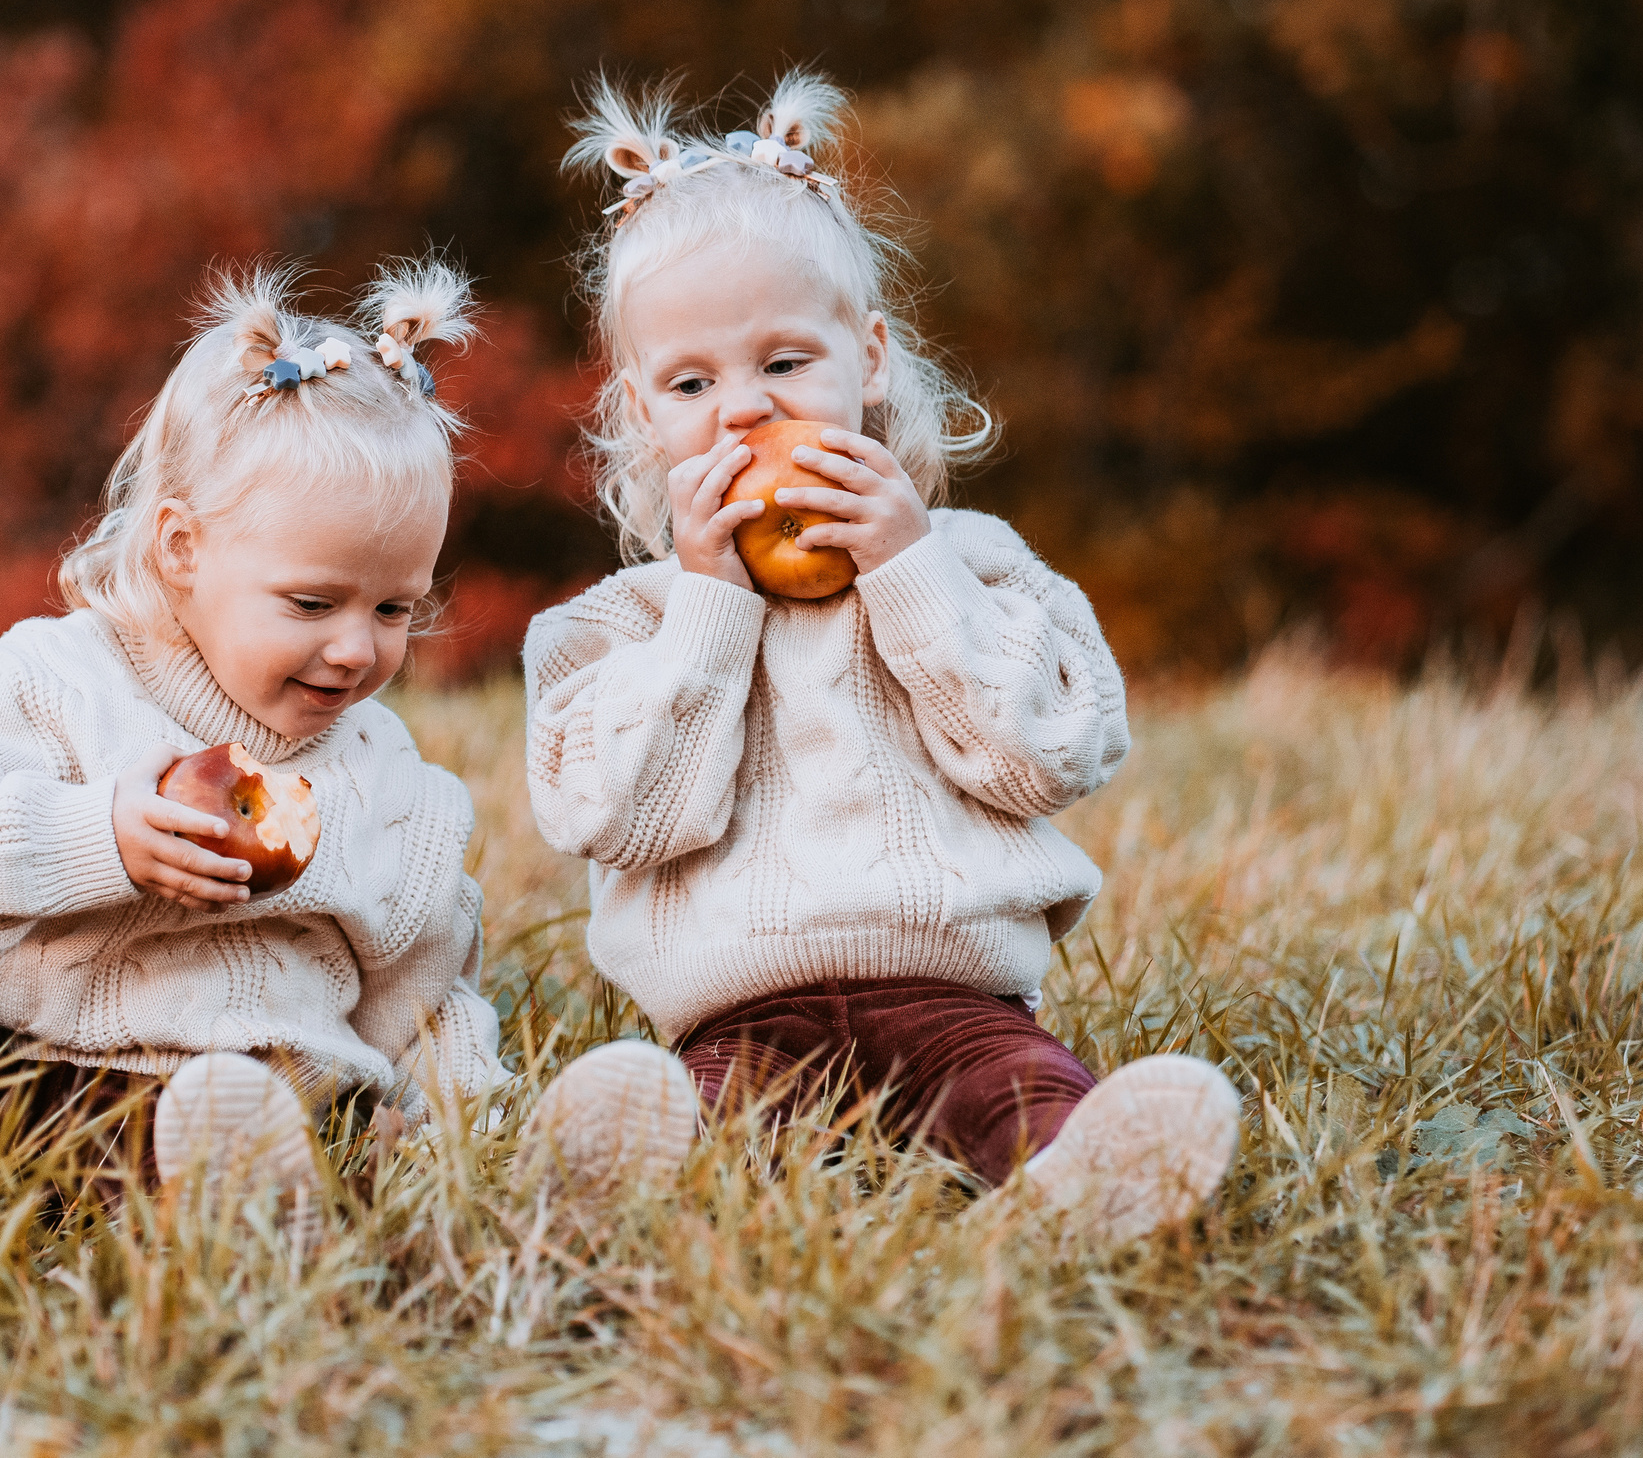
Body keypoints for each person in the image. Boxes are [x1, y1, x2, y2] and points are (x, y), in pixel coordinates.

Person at [0, 260, 679, 1221]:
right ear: (181, 549)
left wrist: (467, 1128)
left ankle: (527, 1189)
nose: (358, 647)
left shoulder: (385, 780)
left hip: (266, 1111)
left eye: (397, 606)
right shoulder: (59, 679)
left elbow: (425, 997)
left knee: (248, 1122)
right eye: (313, 602)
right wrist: (97, 836)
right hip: (11, 1090)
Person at [520, 74, 1242, 1243]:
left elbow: (1045, 757)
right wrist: (711, 605)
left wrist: (911, 574)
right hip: (738, 1019)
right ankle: (620, 1195)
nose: (743, 411)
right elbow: (623, 819)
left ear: (869, 358)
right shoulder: (618, 626)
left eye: (785, 362)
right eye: (691, 383)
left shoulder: (970, 564)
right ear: (639, 410)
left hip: (958, 998)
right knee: (698, 1121)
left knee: (1016, 1095)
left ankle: (1073, 1192)